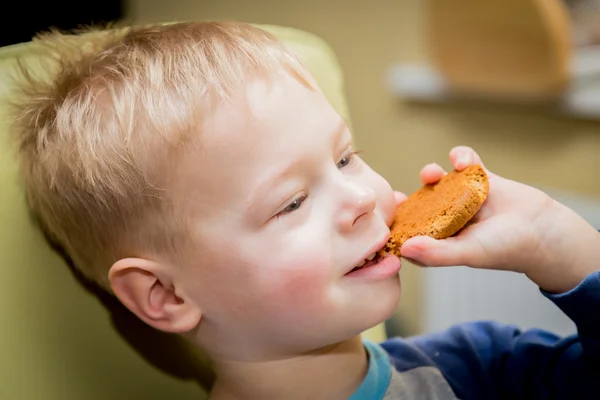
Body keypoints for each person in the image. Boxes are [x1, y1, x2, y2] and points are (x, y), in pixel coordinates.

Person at [8, 21, 600, 399]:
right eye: (291, 203)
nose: (362, 197)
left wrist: (562, 244)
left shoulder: (477, 367)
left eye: (346, 159)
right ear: (165, 294)